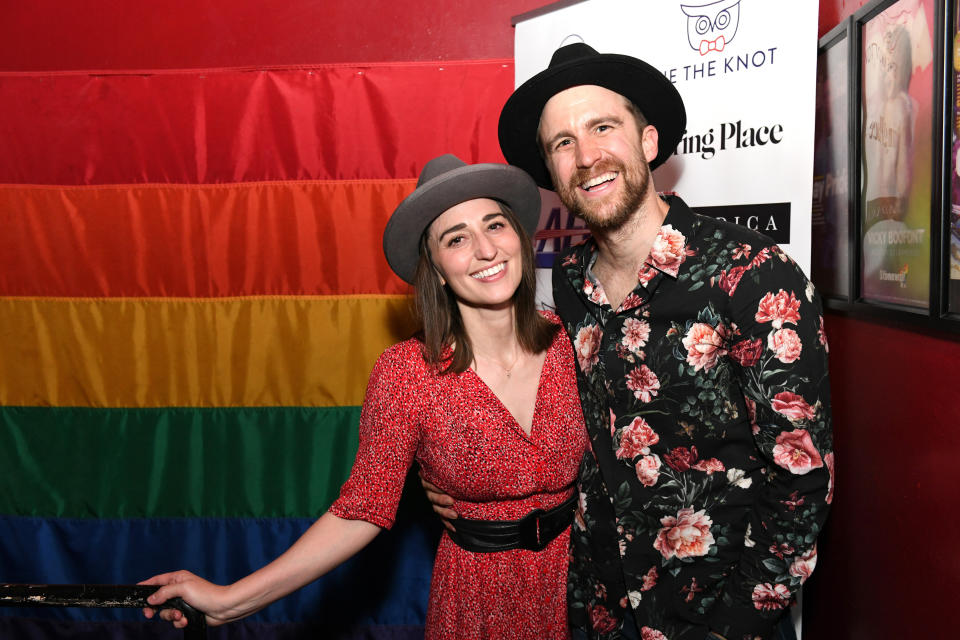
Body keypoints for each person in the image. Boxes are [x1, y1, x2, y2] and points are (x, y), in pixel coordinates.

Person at [426, 43, 834, 640]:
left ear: (647, 142)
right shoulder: (563, 287)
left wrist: (731, 626)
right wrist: (441, 472)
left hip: (718, 620)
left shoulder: (753, 277)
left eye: (602, 127)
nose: (586, 156)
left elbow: (801, 483)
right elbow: (492, 384)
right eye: (563, 143)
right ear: (552, 173)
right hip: (597, 614)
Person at [141, 153, 588, 639]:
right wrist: (231, 600)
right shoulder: (407, 374)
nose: (485, 249)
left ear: (519, 239)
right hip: (480, 601)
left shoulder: (578, 344)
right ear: (436, 269)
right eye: (455, 238)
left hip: (586, 584)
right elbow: (362, 510)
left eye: (494, 225)